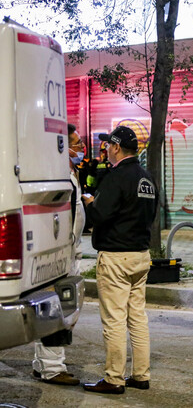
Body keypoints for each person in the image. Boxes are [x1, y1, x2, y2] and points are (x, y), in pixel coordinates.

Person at [81, 126, 157, 395]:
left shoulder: (116, 177)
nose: (106, 150)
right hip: (140, 255)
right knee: (137, 317)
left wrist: (89, 202)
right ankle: (141, 375)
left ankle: (114, 378)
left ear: (115, 147)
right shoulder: (146, 178)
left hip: (116, 257)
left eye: (108, 146)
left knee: (114, 319)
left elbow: (100, 215)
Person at [32, 124, 86, 386]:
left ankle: (42, 364)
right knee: (59, 310)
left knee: (63, 309)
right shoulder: (55, 173)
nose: (81, 148)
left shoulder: (69, 172)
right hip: (60, 256)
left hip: (70, 252)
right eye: (75, 143)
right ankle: (53, 368)